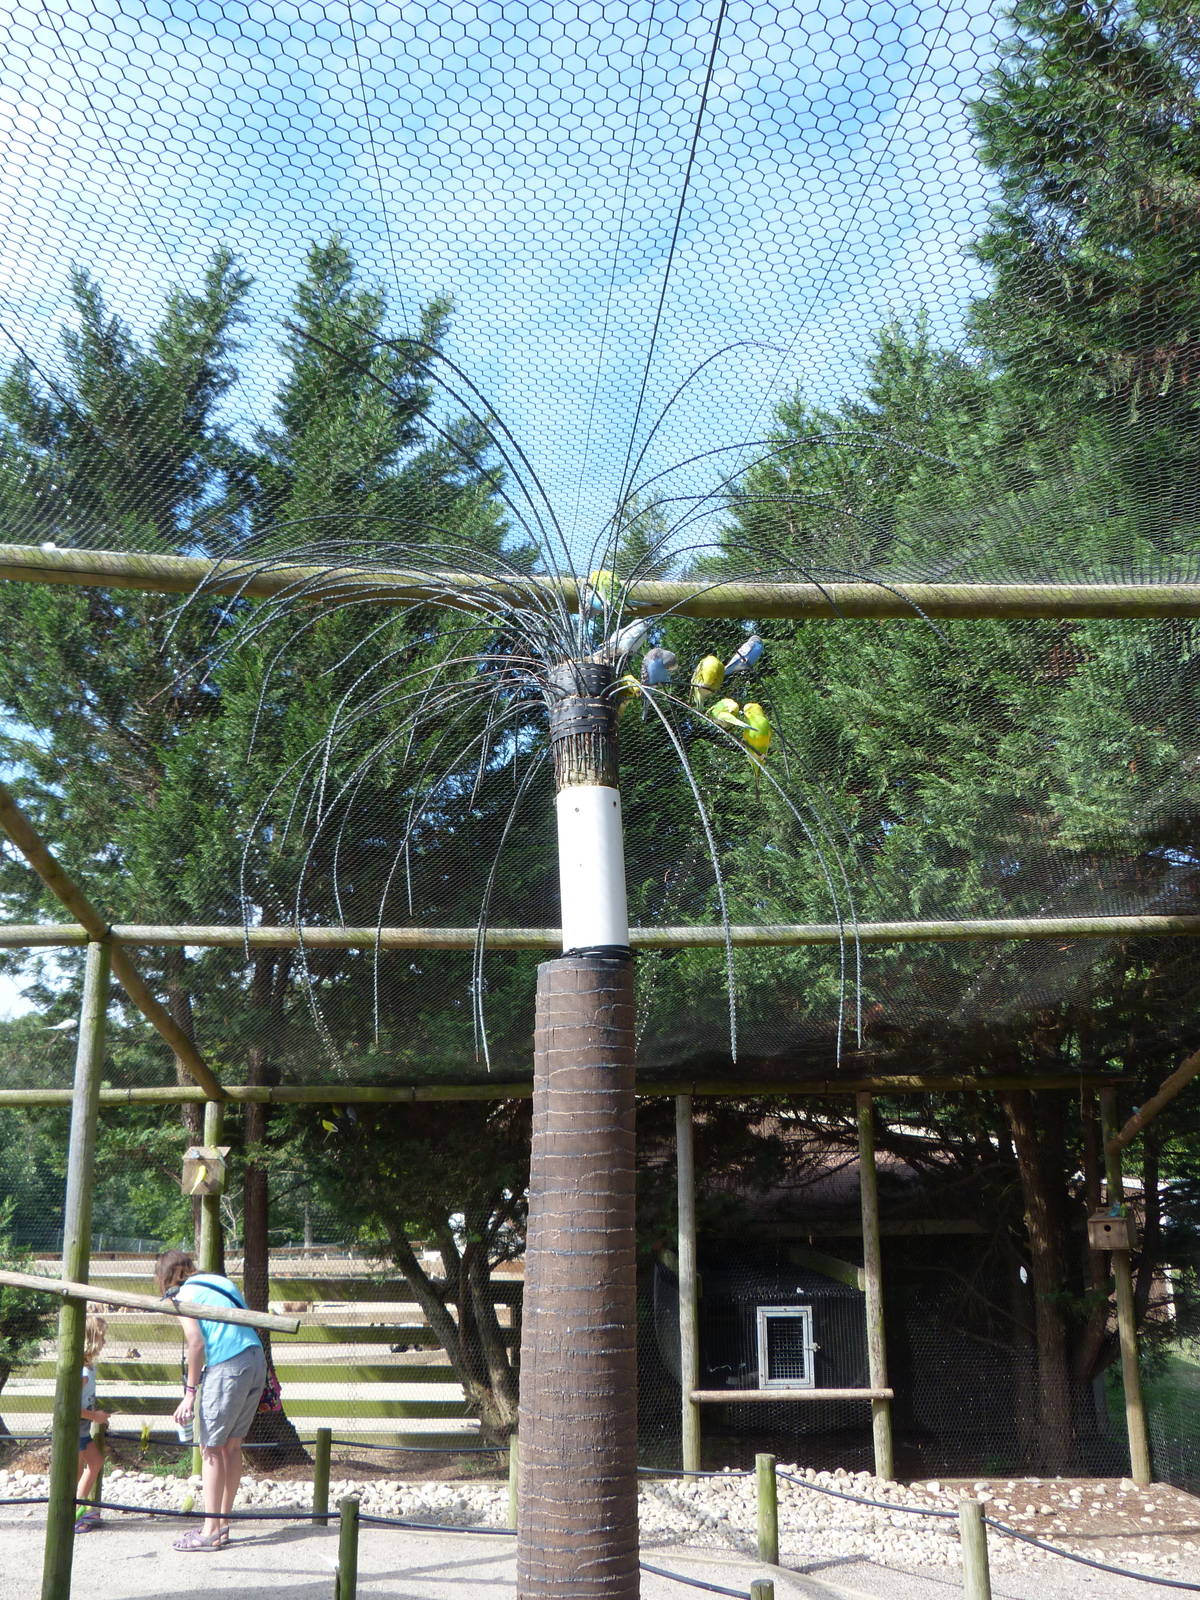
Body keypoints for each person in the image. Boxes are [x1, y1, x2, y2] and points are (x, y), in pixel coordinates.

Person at [153, 1249, 267, 1552]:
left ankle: (210, 1530)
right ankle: (222, 1524)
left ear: (165, 1276)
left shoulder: (182, 1295)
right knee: (232, 1446)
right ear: (189, 1266)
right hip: (255, 1359)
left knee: (211, 1448)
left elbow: (196, 1342)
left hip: (227, 1365)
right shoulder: (219, 1282)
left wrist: (190, 1394)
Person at [74, 1309, 109, 1534]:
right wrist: (95, 1416)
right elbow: (70, 1407)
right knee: (76, 1471)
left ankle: (82, 1505)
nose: (105, 1341)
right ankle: (75, 1512)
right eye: (102, 1337)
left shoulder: (89, 1368)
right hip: (75, 1429)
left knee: (95, 1463)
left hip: (83, 1429)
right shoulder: (82, 1372)